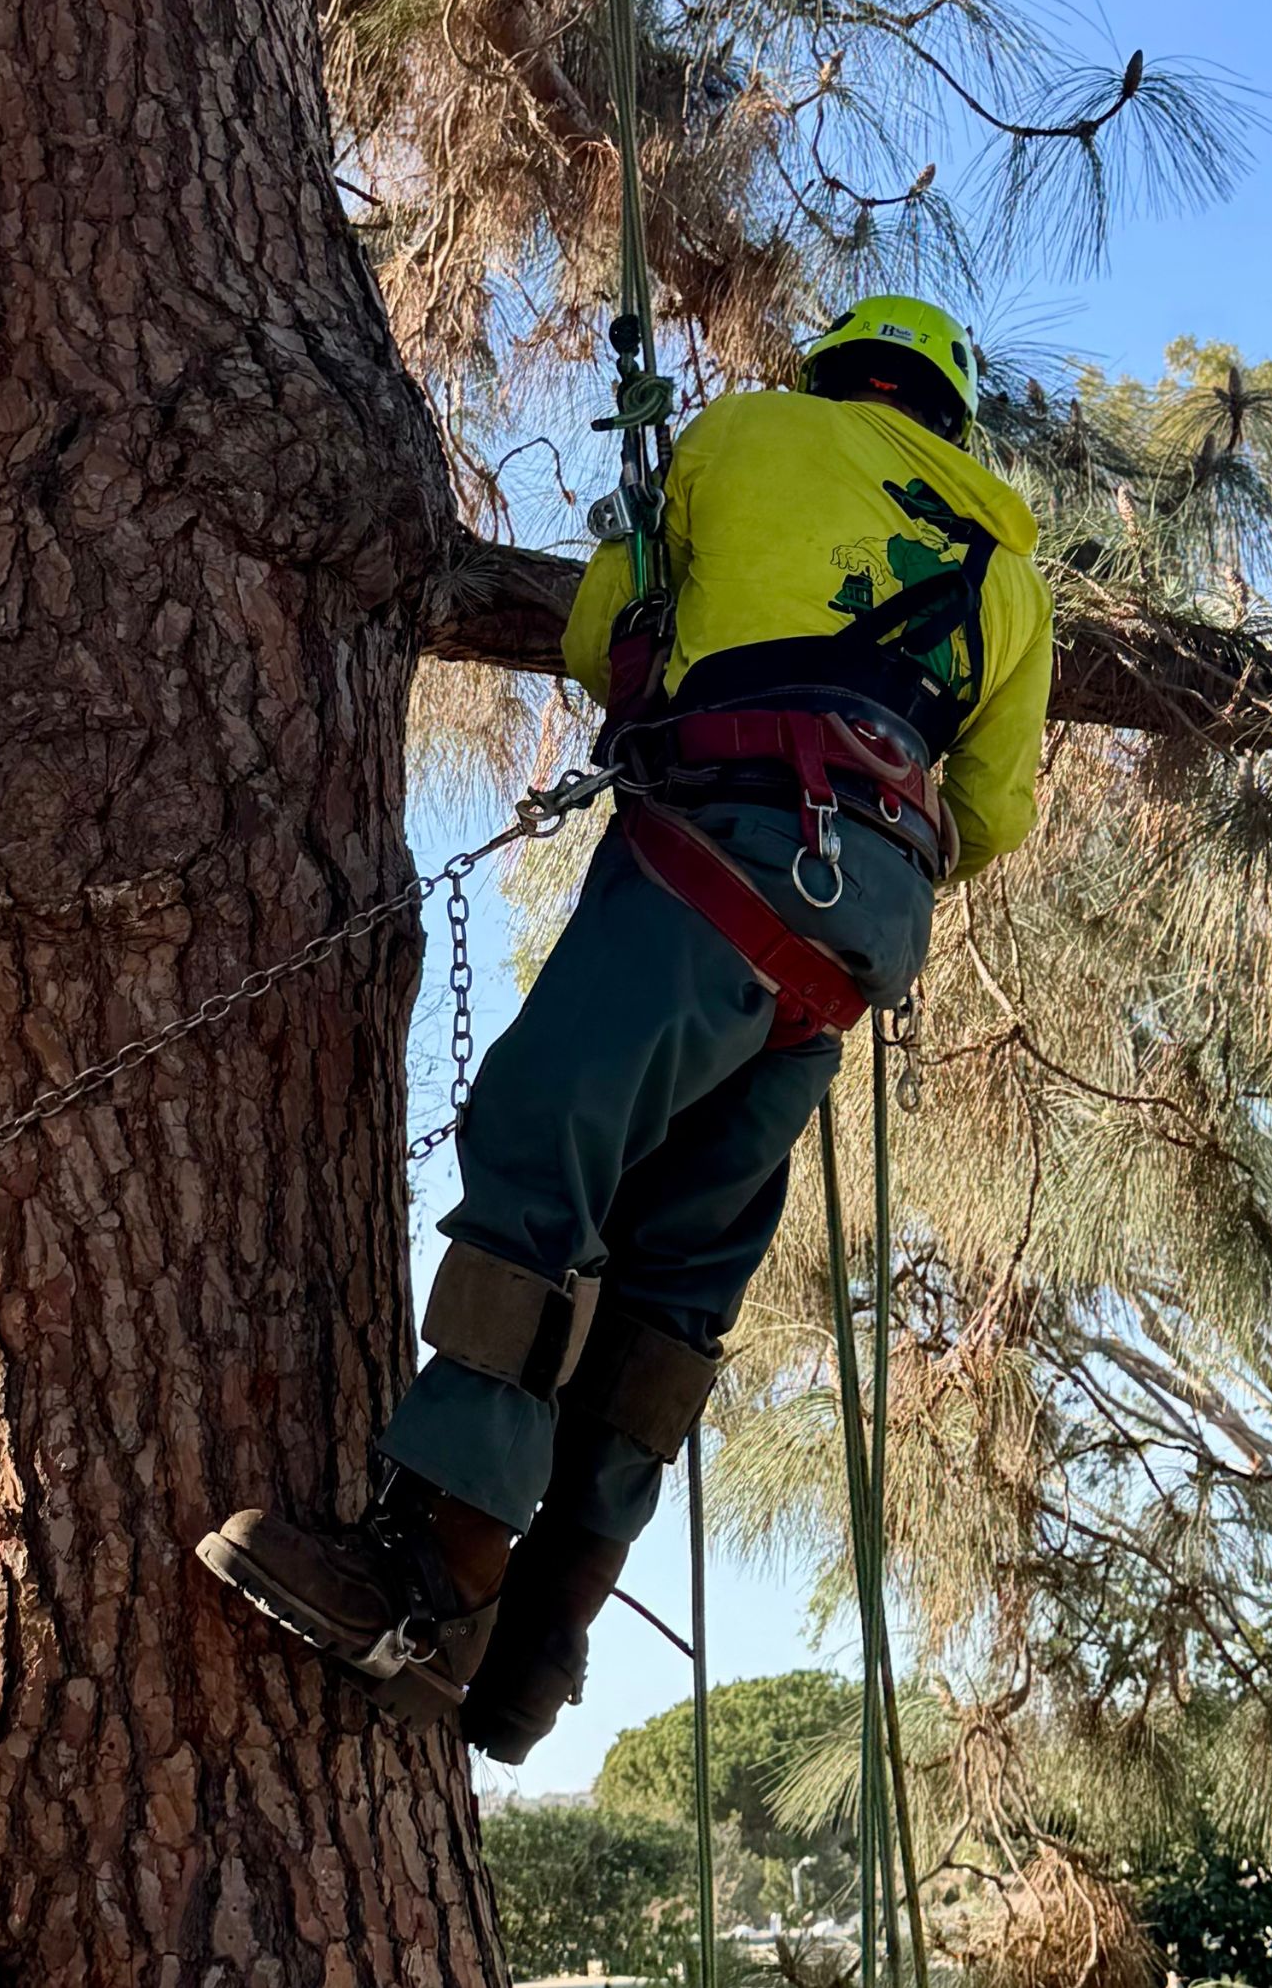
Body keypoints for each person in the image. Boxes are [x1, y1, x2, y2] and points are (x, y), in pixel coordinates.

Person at [198, 294, 1053, 1759]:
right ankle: (534, 1658)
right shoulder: (1009, 571)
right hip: (842, 954)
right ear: (951, 417)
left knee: (544, 1145)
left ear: (835, 376)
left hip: (717, 860)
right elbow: (993, 810)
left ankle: (429, 1579)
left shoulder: (745, 432)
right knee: (672, 1297)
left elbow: (613, 634)